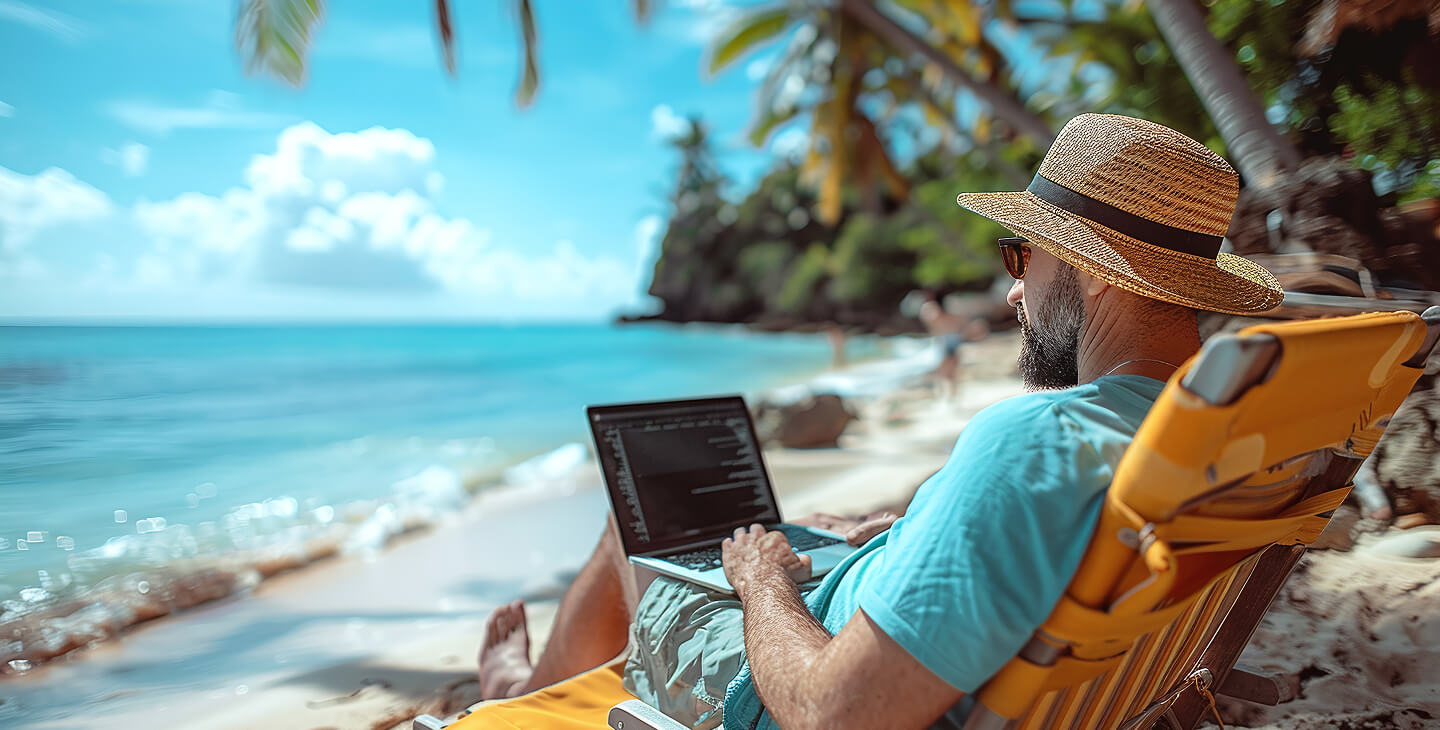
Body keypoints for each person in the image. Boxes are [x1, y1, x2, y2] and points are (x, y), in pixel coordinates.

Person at [476, 114, 1284, 729]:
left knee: (638, 539)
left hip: (793, 691)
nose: (1012, 294)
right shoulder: (1229, 438)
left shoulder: (1034, 443)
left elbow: (836, 714)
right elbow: (1044, 541)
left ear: (1096, 274)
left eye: (1021, 258)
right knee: (774, 539)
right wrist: (914, 534)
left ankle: (518, 695)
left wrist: (762, 585)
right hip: (1006, 670)